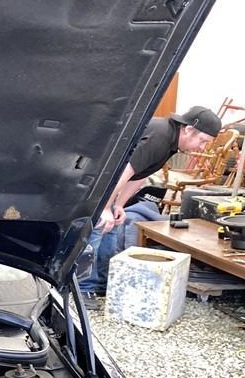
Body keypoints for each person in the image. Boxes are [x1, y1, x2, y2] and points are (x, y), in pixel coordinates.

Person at [79, 105, 222, 307]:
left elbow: (140, 175)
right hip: (92, 173)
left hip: (111, 181)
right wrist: (104, 208)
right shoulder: (160, 137)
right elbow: (123, 172)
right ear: (189, 130)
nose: (202, 148)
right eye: (202, 141)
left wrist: (118, 205)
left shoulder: (171, 142)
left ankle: (102, 283)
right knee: (98, 226)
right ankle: (83, 287)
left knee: (113, 228)